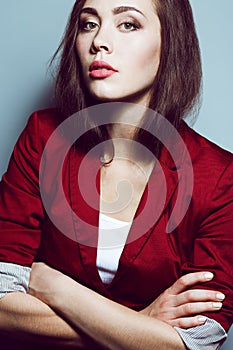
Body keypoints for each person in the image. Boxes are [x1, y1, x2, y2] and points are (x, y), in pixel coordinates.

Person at [0, 0, 232, 349]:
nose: (99, 42)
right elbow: (2, 297)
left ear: (171, 44)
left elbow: (198, 339)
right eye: (88, 24)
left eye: (128, 25)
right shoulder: (43, 136)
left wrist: (52, 284)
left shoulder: (219, 177)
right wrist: (139, 326)